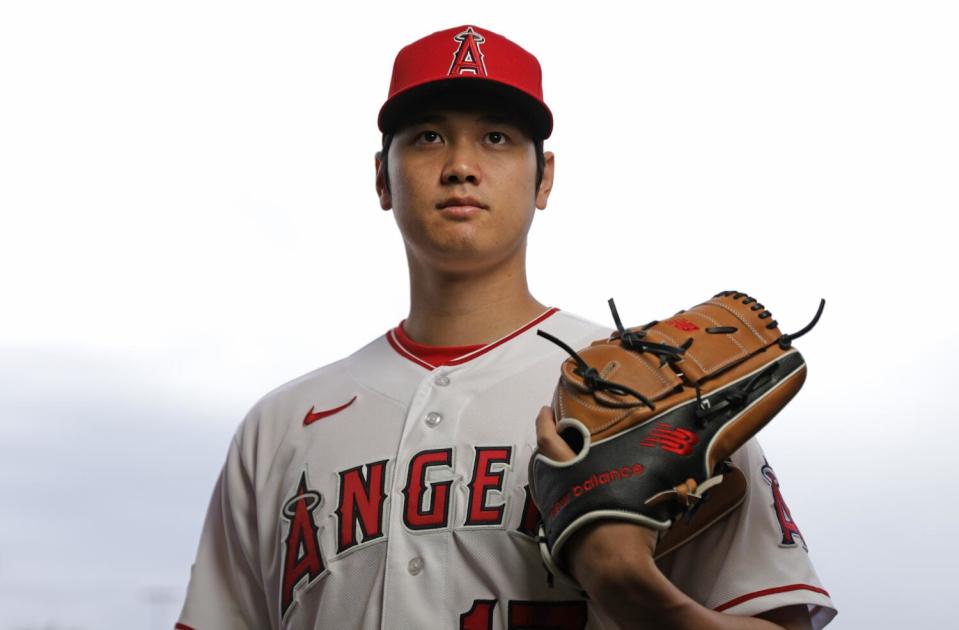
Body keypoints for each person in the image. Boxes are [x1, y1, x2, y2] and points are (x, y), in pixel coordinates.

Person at [175, 24, 836, 630]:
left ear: (542, 177)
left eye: (496, 137)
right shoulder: (280, 427)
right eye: (428, 136)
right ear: (382, 177)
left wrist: (634, 589)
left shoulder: (659, 395)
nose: (461, 164)